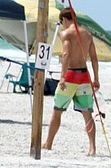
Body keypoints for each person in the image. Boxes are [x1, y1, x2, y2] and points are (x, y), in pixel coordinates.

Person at [42, 8, 100, 156]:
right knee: (87, 113)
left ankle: (48, 143)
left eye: (62, 23)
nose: (62, 26)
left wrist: (62, 77)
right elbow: (94, 58)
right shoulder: (87, 34)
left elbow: (66, 54)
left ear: (65, 20)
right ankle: (92, 148)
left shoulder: (66, 33)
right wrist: (96, 78)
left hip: (71, 76)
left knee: (57, 111)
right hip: (85, 77)